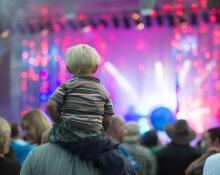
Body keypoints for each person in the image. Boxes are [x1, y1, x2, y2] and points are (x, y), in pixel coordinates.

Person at [46, 44, 135, 175]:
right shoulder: (103, 91)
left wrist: (59, 122)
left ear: (68, 67)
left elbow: (50, 105)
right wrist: (100, 132)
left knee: (44, 136)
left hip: (66, 133)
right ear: (95, 68)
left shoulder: (66, 86)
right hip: (93, 138)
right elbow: (107, 120)